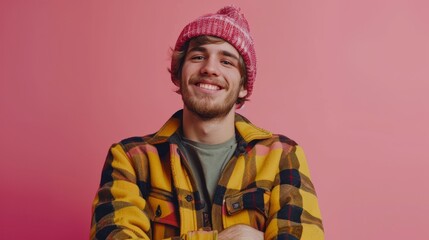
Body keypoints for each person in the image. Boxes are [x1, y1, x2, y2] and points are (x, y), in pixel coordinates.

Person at [91, 6, 324, 240]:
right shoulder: (131, 159)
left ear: (243, 86)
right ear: (178, 73)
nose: (210, 68)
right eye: (198, 57)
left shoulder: (281, 156)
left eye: (227, 62)